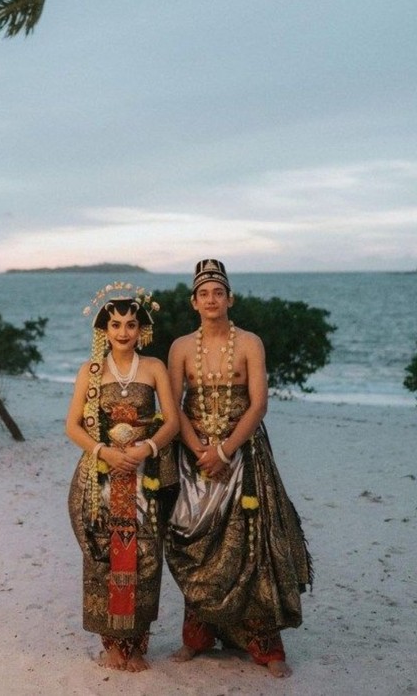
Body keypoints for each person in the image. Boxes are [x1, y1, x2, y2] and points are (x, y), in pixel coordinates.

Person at [165, 259, 313, 677]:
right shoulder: (179, 347)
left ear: (230, 298)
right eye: (203, 293)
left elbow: (259, 403)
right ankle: (197, 637)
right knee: (196, 542)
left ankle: (266, 645)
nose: (211, 299)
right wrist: (199, 452)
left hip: (244, 453)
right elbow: (173, 407)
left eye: (218, 292)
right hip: (195, 457)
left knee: (254, 545)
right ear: (194, 302)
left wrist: (225, 450)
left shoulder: (249, 342)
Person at [66, 287, 179, 672]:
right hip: (101, 477)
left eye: (131, 324)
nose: (123, 331)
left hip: (144, 477)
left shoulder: (154, 368)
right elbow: (73, 425)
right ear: (104, 330)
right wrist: (105, 453)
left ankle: (137, 642)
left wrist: (146, 448)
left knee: (145, 555)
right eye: (115, 325)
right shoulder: (91, 372)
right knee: (104, 554)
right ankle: (112, 643)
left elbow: (173, 421)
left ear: (141, 329)